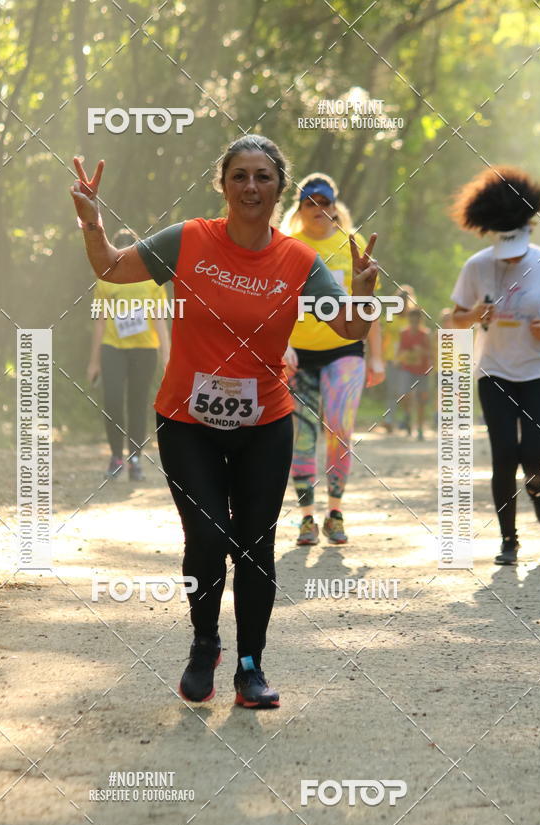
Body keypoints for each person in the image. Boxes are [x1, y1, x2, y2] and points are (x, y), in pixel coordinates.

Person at [70, 135, 379, 707]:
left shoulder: (299, 260)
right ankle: (204, 642)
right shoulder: (189, 240)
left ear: (278, 188)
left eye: (263, 176)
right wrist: (92, 222)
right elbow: (112, 268)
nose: (252, 186)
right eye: (240, 175)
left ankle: (250, 666)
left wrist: (363, 298)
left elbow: (349, 331)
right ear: (224, 184)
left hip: (265, 423)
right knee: (208, 537)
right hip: (187, 420)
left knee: (256, 546)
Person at [280, 173, 385, 546]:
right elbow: (273, 304)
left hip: (345, 350)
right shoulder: (287, 245)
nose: (318, 210)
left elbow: (368, 304)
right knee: (303, 434)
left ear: (335, 206)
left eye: (324, 202)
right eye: (310, 203)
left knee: (339, 427)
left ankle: (335, 512)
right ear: (300, 208)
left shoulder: (352, 244)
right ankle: (307, 517)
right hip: (298, 354)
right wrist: (280, 346)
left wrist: (377, 358)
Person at [450, 166, 540, 565]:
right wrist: (473, 314)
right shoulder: (476, 266)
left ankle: (538, 489)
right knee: (504, 452)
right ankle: (509, 540)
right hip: (494, 372)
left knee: (538, 452)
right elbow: (454, 317)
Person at [86, 228, 170, 480]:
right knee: (112, 400)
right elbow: (100, 321)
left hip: (144, 350)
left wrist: (168, 356)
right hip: (113, 348)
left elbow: (160, 319)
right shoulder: (105, 278)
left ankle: (135, 458)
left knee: (137, 403)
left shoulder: (152, 278)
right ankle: (116, 456)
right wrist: (94, 362)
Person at [395, 300, 432, 441]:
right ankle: (408, 416)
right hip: (407, 368)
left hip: (422, 370)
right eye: (412, 319)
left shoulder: (426, 334)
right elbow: (399, 350)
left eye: (417, 319)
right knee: (405, 396)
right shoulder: (403, 333)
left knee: (421, 401)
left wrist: (422, 351)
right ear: (409, 319)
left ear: (420, 320)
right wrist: (400, 358)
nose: (414, 321)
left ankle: (420, 428)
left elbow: (431, 354)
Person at [381, 286, 411, 432]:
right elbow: (383, 338)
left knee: (405, 391)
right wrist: (380, 357)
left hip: (407, 361)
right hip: (391, 359)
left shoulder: (413, 319)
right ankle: (389, 420)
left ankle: (406, 419)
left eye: (405, 301)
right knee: (392, 390)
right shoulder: (390, 317)